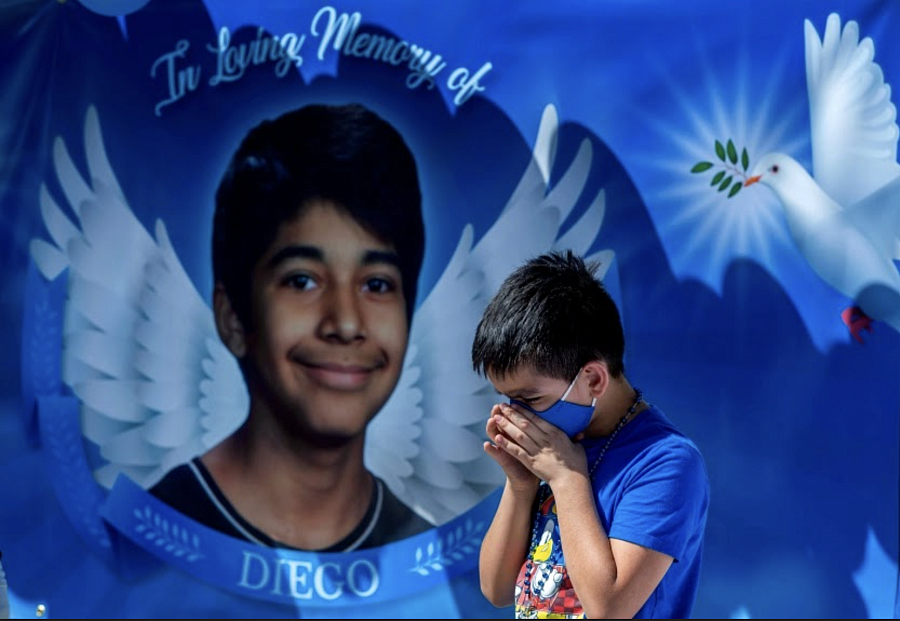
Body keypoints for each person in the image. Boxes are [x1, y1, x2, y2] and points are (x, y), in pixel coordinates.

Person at [150, 102, 432, 551]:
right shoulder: (152, 541)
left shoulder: (426, 564)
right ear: (233, 318)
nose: (345, 322)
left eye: (377, 284)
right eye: (302, 280)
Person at [471, 250, 709, 619]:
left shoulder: (666, 462)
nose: (517, 415)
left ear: (593, 378)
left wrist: (566, 480)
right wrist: (520, 486)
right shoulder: (553, 450)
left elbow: (608, 608)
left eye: (530, 398)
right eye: (508, 399)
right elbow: (497, 589)